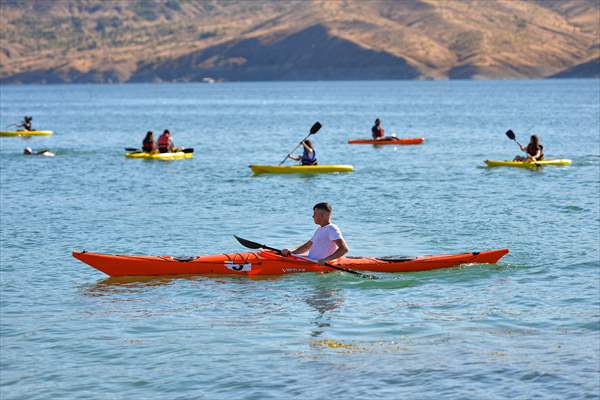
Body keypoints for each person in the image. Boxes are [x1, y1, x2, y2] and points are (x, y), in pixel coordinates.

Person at [281, 202, 349, 266]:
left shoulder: (332, 228)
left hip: (322, 264)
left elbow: (344, 249)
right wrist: (291, 252)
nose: (313, 216)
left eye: (315, 213)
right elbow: (307, 246)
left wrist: (326, 260)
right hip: (312, 261)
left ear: (323, 215)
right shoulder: (319, 229)